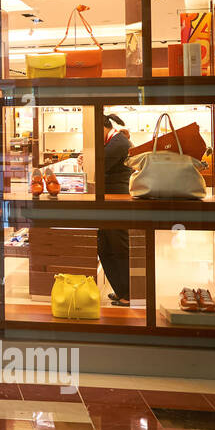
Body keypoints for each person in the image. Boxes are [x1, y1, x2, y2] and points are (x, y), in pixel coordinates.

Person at [98, 113, 132, 307]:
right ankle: (121, 290)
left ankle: (128, 293)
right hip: (110, 203)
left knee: (117, 247)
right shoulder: (114, 141)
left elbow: (98, 167)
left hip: (117, 203)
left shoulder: (118, 142)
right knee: (106, 247)